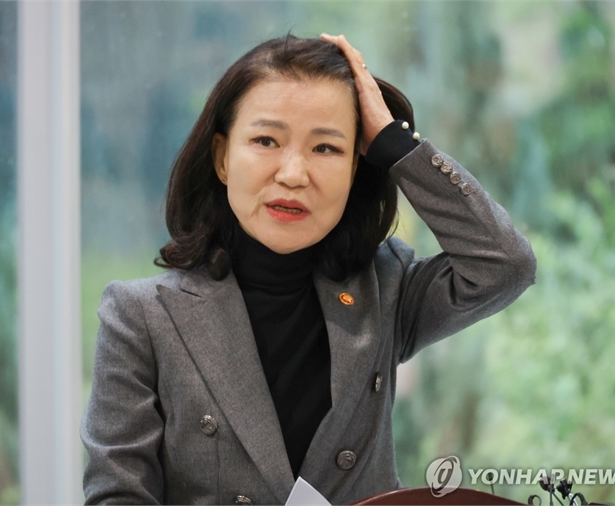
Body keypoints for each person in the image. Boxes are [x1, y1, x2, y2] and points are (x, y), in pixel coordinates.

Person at [80, 33, 536, 505]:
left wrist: (395, 143)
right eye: (266, 140)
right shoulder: (141, 317)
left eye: (326, 149)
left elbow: (506, 265)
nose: (294, 174)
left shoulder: (385, 289)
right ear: (222, 158)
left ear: (356, 168)